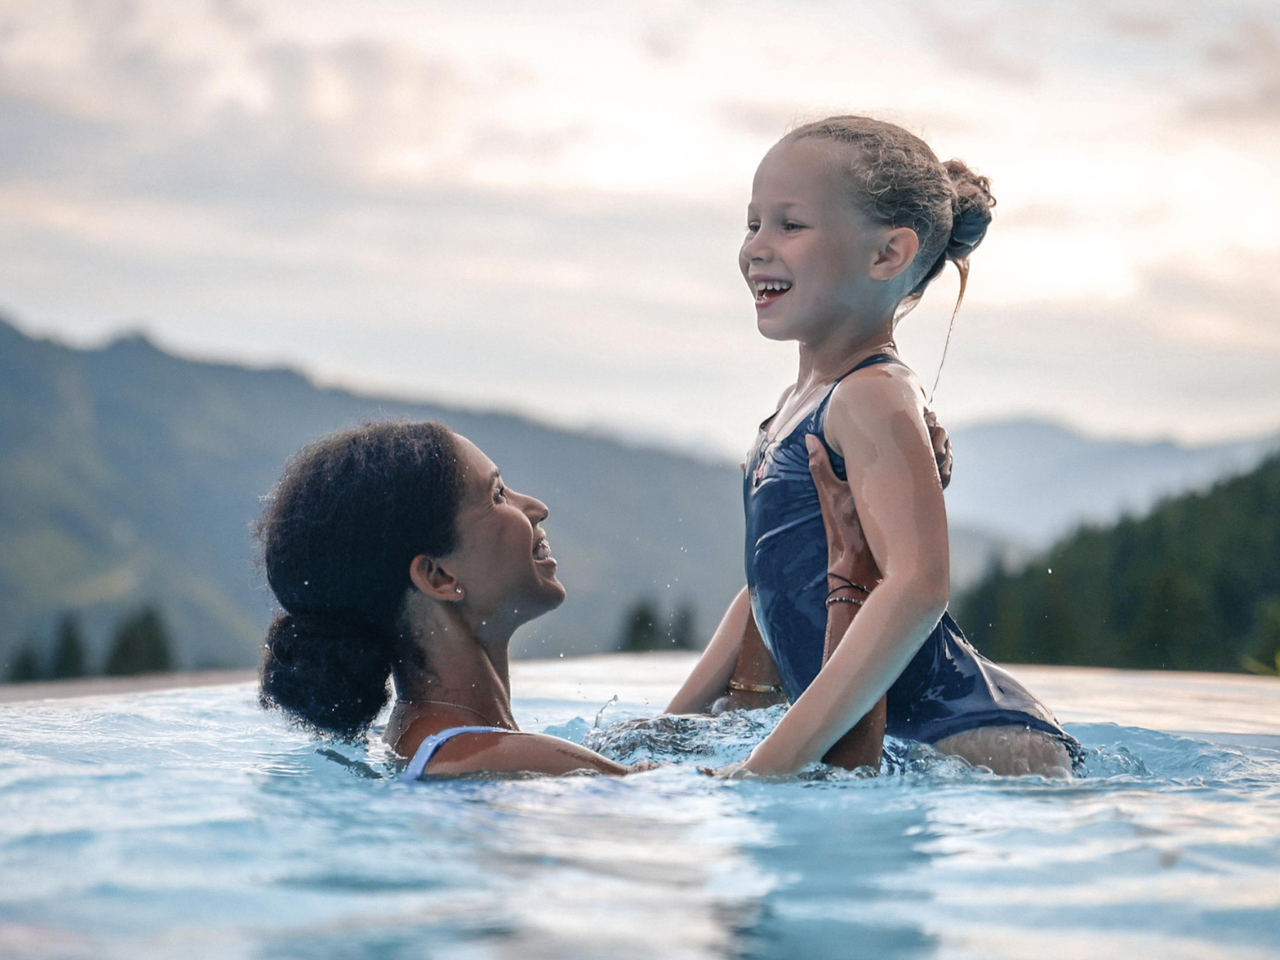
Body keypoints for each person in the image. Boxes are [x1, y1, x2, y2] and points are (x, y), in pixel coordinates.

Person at [666, 116, 1079, 777]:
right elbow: (769, 587)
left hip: (968, 736)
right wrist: (674, 723)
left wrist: (769, 766)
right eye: (752, 224)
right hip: (898, 740)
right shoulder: (795, 410)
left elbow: (918, 586)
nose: (755, 249)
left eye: (790, 225)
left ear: (887, 255)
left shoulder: (872, 395)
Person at [257, 420, 648, 778]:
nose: (536, 508)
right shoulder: (505, 758)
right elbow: (660, 799)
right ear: (438, 577)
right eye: (498, 495)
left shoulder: (418, 743)